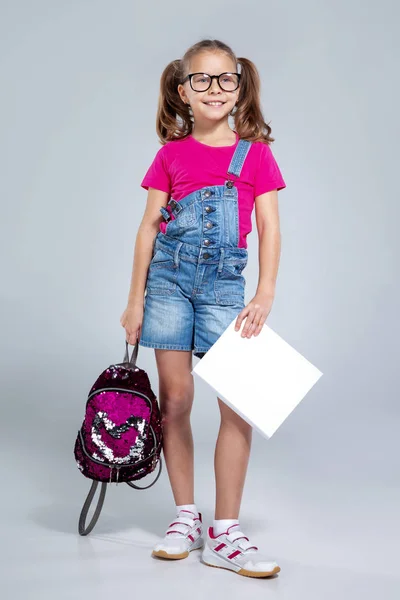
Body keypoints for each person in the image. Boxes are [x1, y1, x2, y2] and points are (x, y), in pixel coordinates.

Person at [120, 38, 286, 578]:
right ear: (183, 90)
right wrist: (133, 301)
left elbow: (269, 228)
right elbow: (148, 228)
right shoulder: (170, 154)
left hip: (222, 289)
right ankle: (185, 516)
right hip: (167, 285)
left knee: (239, 405)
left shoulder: (255, 153)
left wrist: (264, 293)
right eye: (202, 80)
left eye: (225, 79)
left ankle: (226, 532)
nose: (215, 89)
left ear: (239, 87)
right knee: (176, 398)